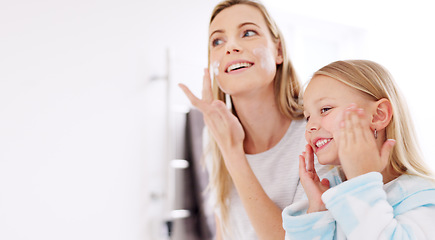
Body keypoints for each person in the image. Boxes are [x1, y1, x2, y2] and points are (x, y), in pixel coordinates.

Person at [179, 0, 327, 239]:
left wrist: (233, 153)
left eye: (248, 33)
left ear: (278, 51)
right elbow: (224, 231)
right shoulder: (215, 134)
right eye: (218, 41)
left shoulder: (316, 133)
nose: (231, 47)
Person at [282, 59, 435, 239]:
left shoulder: (422, 198)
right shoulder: (328, 195)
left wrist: (361, 180)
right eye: (308, 117)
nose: (310, 127)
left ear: (379, 115)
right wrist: (317, 209)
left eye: (325, 109)